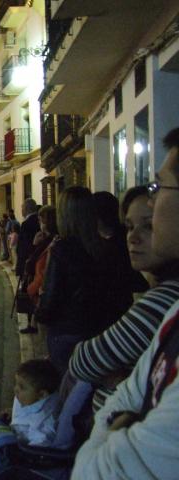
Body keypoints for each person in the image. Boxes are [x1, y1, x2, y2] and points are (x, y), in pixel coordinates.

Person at [70, 127, 179, 480]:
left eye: (160, 188)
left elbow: (95, 472)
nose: (133, 236)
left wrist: (118, 424)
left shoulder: (164, 300)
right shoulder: (173, 313)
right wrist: (124, 419)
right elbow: (126, 396)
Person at [69, 185, 179, 412]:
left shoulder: (163, 300)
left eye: (149, 226)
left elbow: (83, 362)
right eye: (128, 226)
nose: (133, 237)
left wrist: (119, 376)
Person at [34, 187, 127, 374]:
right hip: (98, 330)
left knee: (68, 388)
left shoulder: (62, 249)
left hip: (66, 330)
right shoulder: (107, 247)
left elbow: (51, 296)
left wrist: (40, 312)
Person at [21, 205, 58, 334]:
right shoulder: (44, 238)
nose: (39, 223)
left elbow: (36, 263)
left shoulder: (53, 242)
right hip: (37, 288)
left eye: (41, 220)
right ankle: (32, 325)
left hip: (41, 290)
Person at [16, 199, 40, 279]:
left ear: (26, 208)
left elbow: (24, 246)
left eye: (22, 208)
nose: (21, 210)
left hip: (27, 261)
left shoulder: (26, 224)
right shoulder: (38, 220)